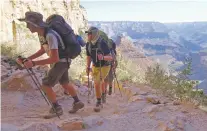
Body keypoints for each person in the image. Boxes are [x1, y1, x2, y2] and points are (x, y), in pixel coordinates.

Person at [17, 11, 84, 119]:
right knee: (65, 83)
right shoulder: (42, 34)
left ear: (34, 24)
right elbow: (43, 49)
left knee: (46, 85)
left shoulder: (50, 35)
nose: (27, 26)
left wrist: (33, 63)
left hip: (60, 62)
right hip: (64, 61)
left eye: (28, 24)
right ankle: (77, 102)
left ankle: (56, 108)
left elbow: (54, 58)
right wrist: (28, 59)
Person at [85, 27, 113, 112]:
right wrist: (88, 66)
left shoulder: (102, 43)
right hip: (95, 66)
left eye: (89, 34)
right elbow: (89, 56)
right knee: (100, 82)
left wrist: (103, 57)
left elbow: (110, 57)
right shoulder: (88, 44)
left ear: (94, 34)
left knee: (97, 83)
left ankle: (99, 102)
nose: (88, 35)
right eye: (88, 34)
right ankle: (103, 95)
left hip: (104, 66)